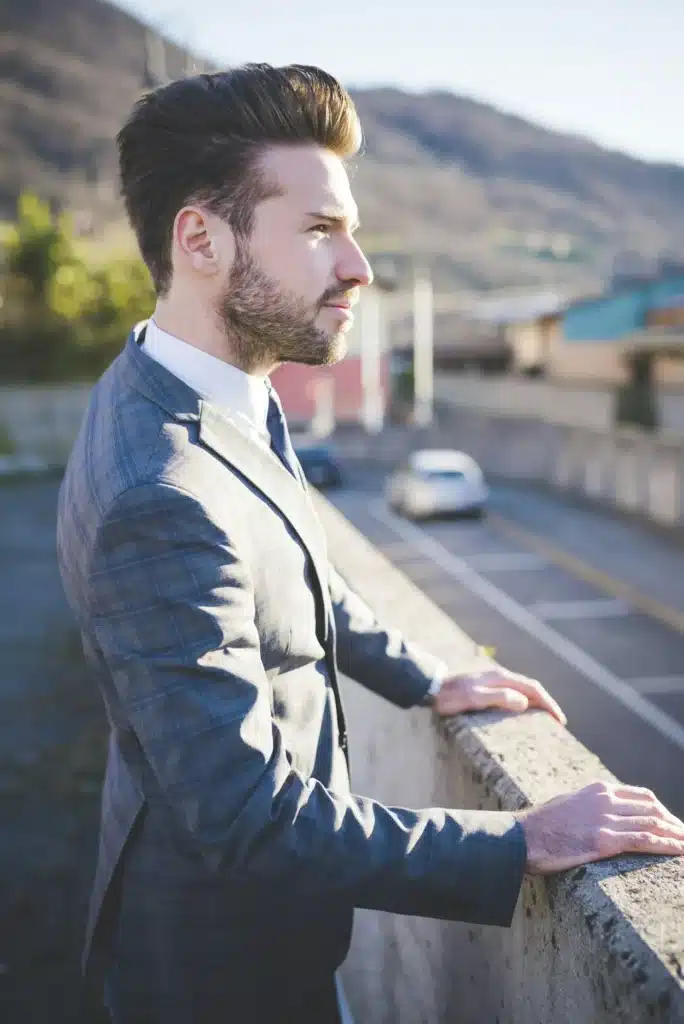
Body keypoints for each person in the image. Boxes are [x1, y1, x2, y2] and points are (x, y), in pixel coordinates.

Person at [56, 65, 684, 1024]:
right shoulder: (161, 492)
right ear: (201, 240)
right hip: (216, 975)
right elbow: (248, 818)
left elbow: (289, 568)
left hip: (266, 942)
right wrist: (518, 842)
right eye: (319, 230)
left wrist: (427, 677)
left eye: (349, 228)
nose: (359, 266)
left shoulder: (195, 384)